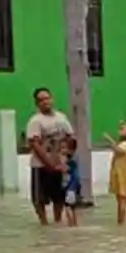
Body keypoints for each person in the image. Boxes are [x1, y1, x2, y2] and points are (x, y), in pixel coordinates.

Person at [26, 87, 73, 226]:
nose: (45, 102)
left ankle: (57, 222)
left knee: (59, 197)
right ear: (37, 103)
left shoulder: (61, 118)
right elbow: (35, 145)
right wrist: (49, 164)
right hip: (40, 166)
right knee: (39, 199)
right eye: (41, 100)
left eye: (47, 98)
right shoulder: (35, 121)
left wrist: (66, 158)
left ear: (52, 99)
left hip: (59, 164)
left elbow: (70, 137)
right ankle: (44, 223)